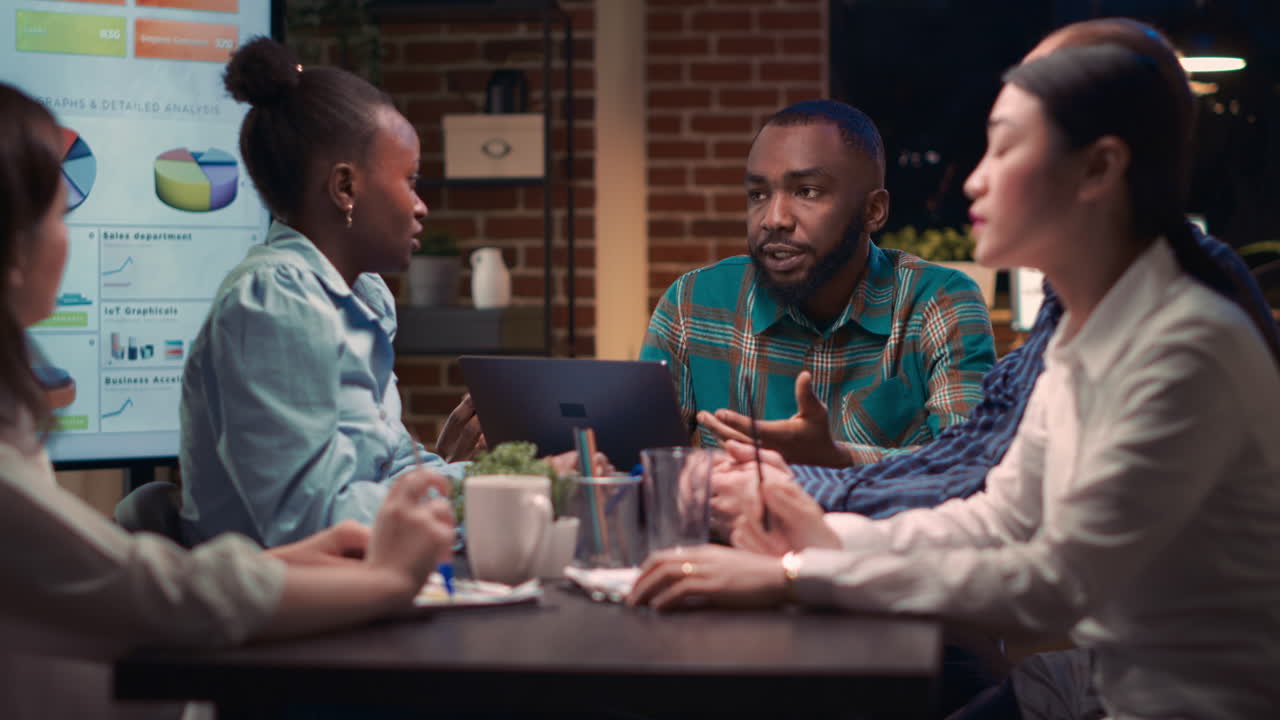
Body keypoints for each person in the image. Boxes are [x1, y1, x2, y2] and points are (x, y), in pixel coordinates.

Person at [629, 18, 1280, 719]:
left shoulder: (1184, 344)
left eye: (1005, 148)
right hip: (1093, 683)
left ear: (1099, 170)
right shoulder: (1080, 332)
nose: (974, 178)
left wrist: (793, 573)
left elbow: (1053, 582)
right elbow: (998, 516)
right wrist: (817, 535)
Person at [0, 81, 456, 719]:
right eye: (59, 215)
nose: (68, 241)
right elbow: (146, 591)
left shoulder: (359, 299)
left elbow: (381, 464)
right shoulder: (274, 298)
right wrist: (385, 578)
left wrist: (495, 484)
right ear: (12, 248)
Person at [180, 38, 598, 548]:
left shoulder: (358, 299)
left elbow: (390, 471)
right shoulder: (276, 302)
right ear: (345, 189)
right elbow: (316, 522)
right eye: (410, 180)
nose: (421, 206)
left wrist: (525, 480)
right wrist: (506, 490)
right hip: (291, 615)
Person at [641, 100, 996, 468]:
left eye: (807, 191)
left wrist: (839, 459)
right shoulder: (692, 303)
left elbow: (970, 465)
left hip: (870, 527)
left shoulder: (938, 301)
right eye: (758, 195)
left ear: (873, 211)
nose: (773, 219)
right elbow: (642, 468)